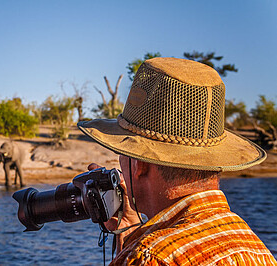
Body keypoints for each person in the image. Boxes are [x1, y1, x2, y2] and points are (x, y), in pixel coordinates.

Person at [78, 57, 277, 265]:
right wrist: (129, 229)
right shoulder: (254, 248)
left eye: (122, 153)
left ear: (139, 164)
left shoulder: (149, 258)